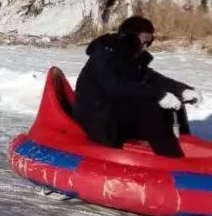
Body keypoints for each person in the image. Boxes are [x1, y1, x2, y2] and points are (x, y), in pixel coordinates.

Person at [74, 16, 199, 158]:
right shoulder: (104, 55)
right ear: (130, 36)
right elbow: (116, 87)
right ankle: (172, 160)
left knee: (173, 105)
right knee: (149, 108)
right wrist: (159, 95)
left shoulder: (129, 56)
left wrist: (181, 90)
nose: (146, 46)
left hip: (112, 113)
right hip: (96, 120)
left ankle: (185, 149)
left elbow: (151, 78)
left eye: (149, 42)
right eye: (144, 41)